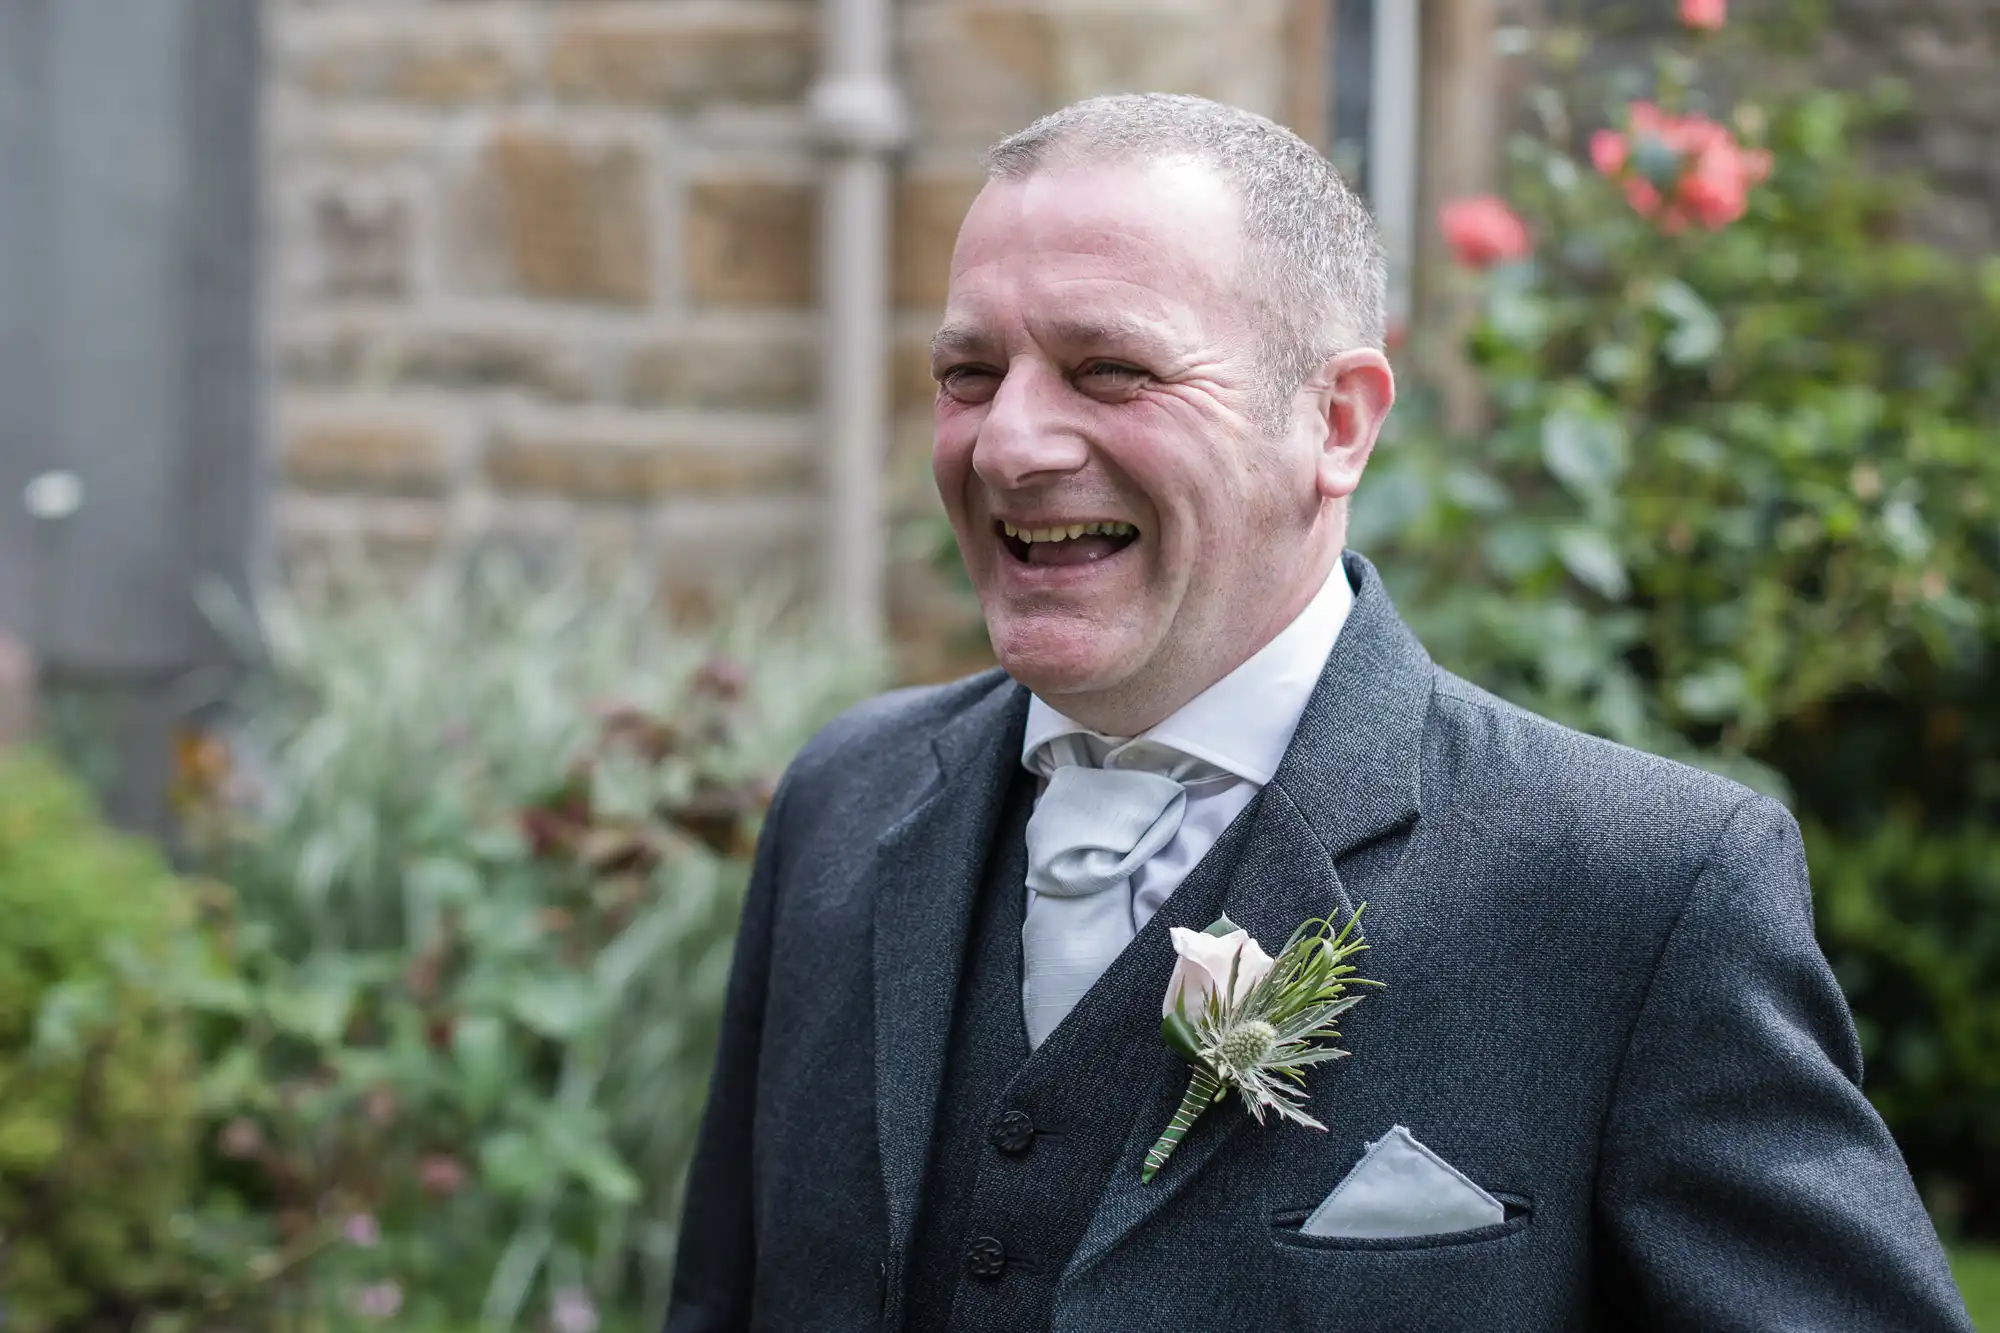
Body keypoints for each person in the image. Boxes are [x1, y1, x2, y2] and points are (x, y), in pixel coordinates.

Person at [666, 93, 1971, 1332]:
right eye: (968, 372)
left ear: (1337, 423)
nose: (1009, 444)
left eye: (1108, 368)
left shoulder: (1641, 893)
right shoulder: (847, 800)